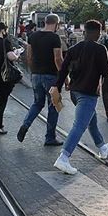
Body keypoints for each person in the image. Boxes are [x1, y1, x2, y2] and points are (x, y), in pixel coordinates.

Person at [49, 20, 108, 174]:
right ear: (98, 33)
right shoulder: (100, 49)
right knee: (80, 125)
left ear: (85, 32)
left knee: (91, 122)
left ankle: (102, 147)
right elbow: (106, 74)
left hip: (75, 92)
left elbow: (63, 70)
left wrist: (57, 87)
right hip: (89, 93)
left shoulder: (73, 49)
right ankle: (63, 158)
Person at [17, 13, 64, 146]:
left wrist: (34, 71)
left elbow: (29, 56)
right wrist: (64, 75)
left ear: (44, 23)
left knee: (37, 103)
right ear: (56, 24)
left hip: (36, 75)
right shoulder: (55, 37)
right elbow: (58, 59)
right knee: (54, 105)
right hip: (51, 76)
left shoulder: (33, 36)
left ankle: (25, 125)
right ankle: (50, 137)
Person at [0, 21, 23, 135]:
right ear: (3, 30)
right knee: (0, 103)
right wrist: (17, 54)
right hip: (3, 77)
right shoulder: (5, 42)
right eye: (5, 30)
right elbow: (11, 57)